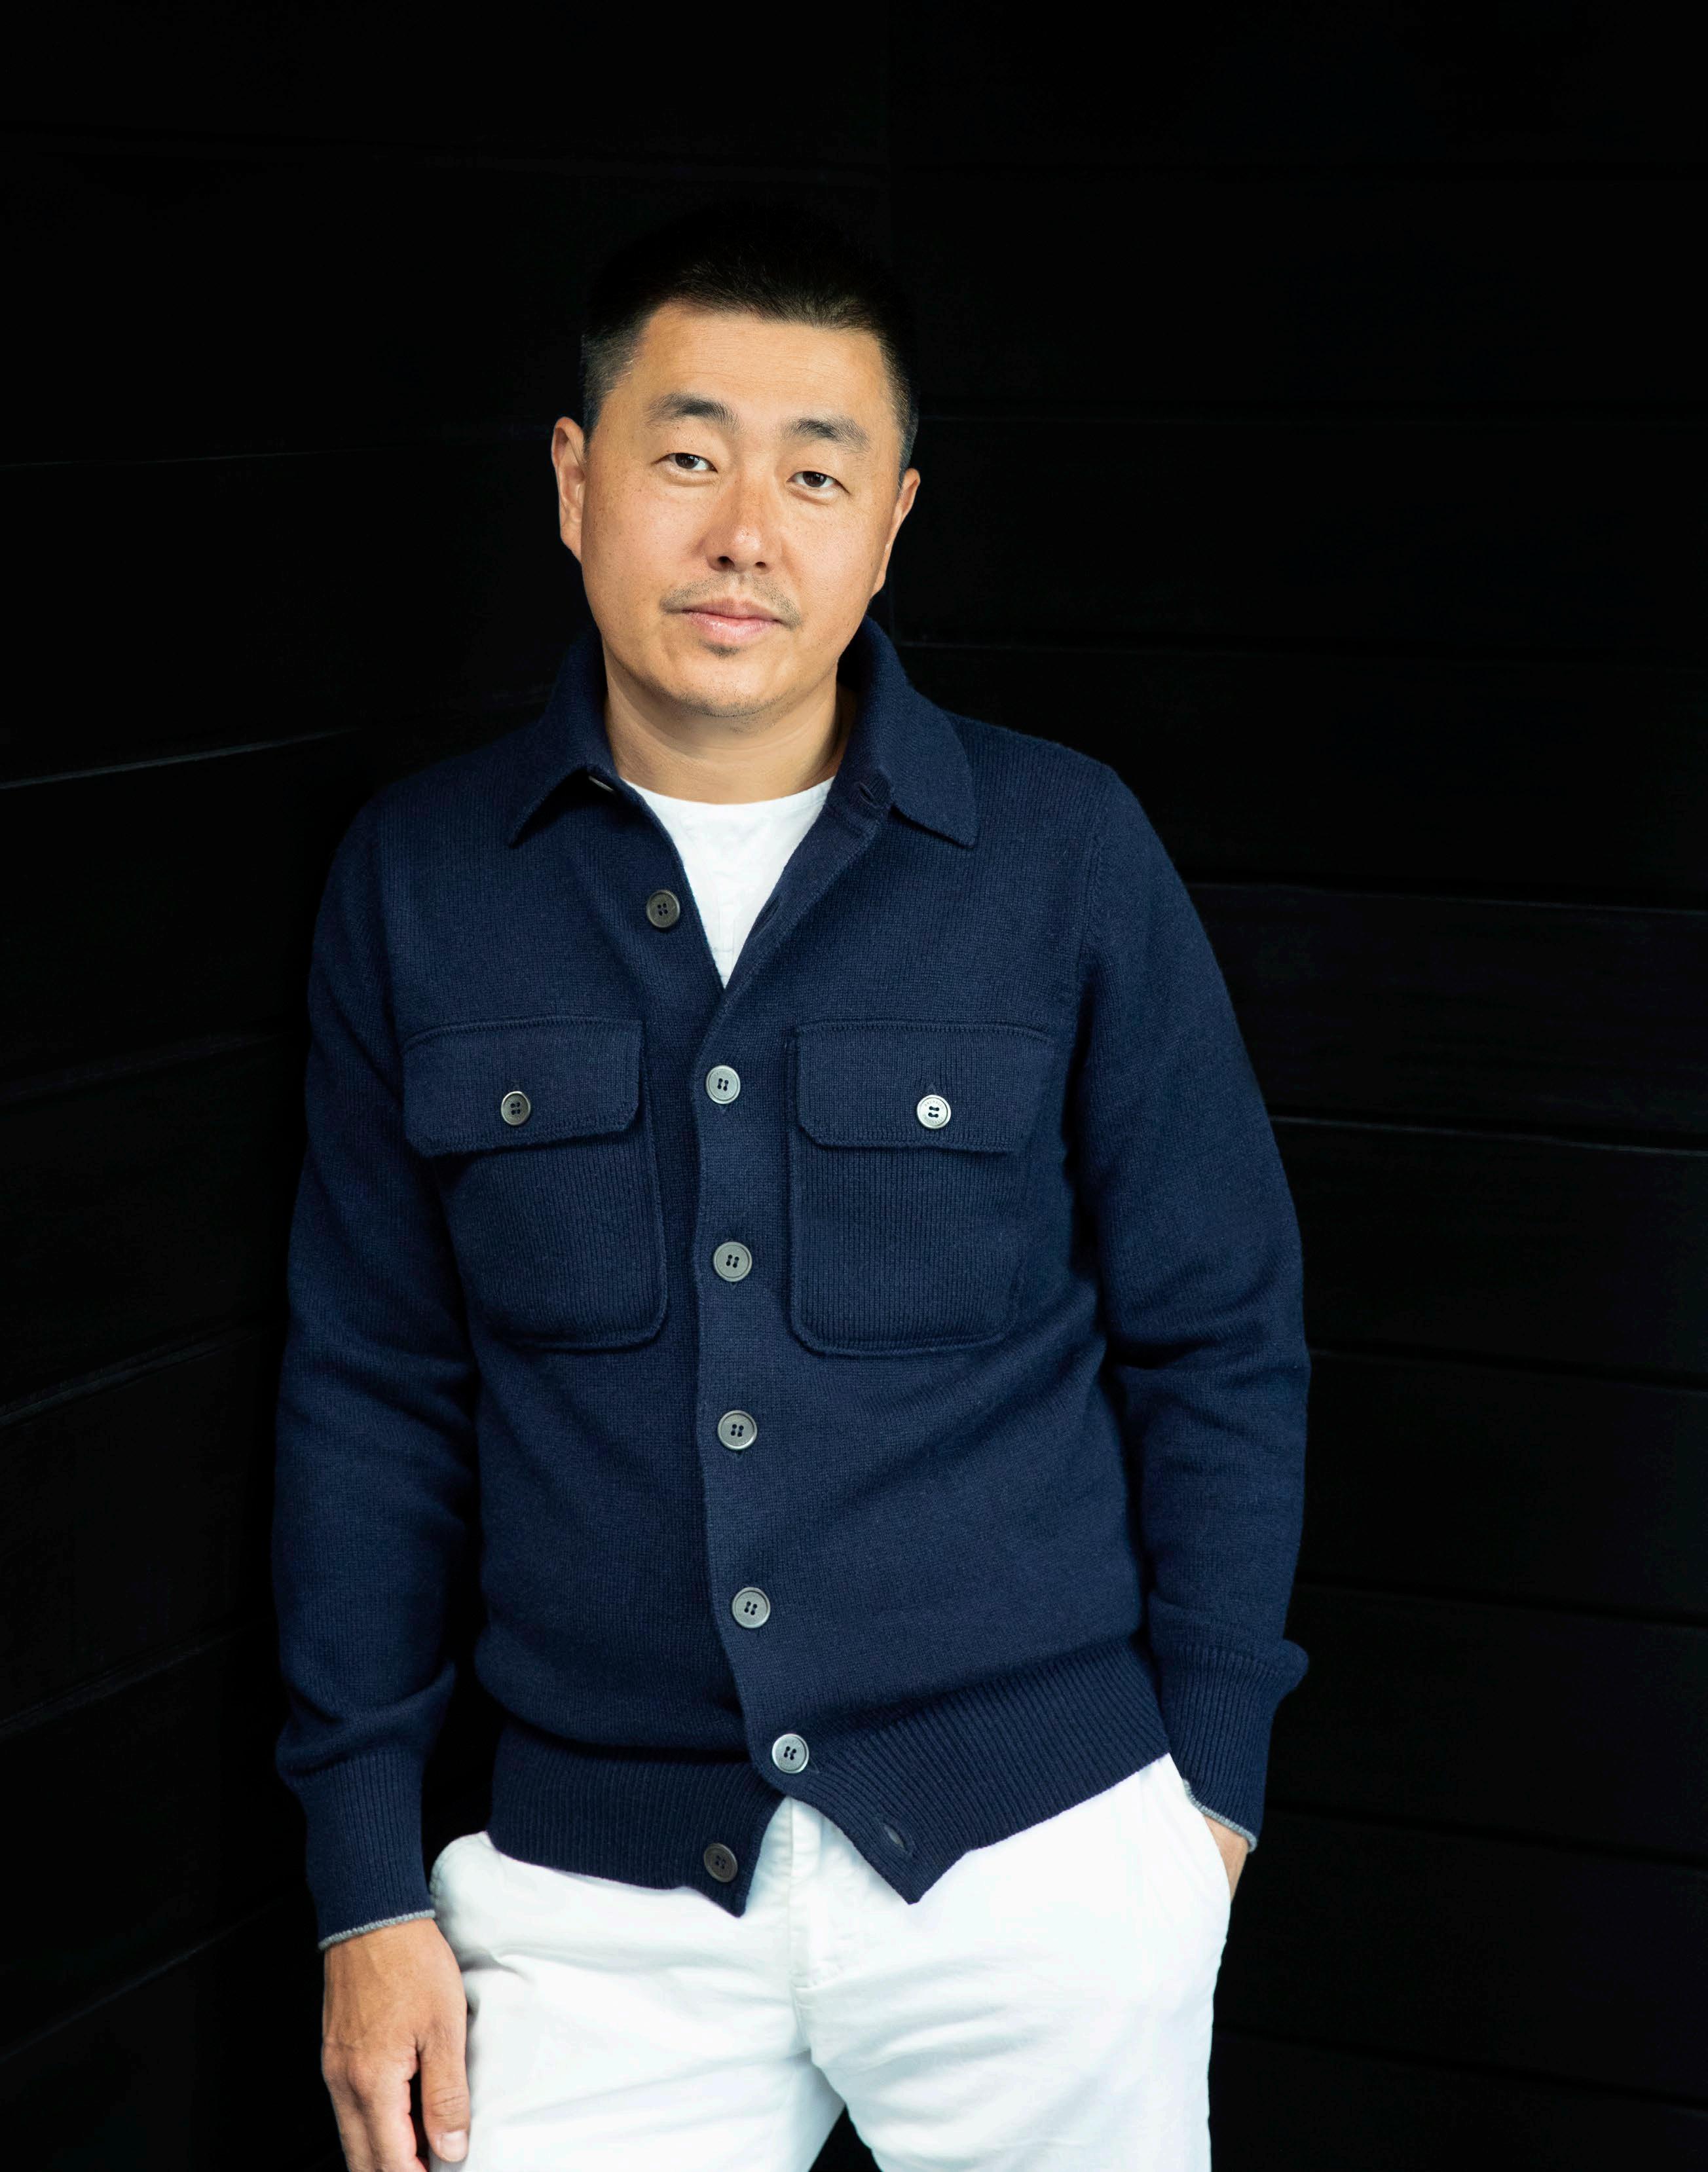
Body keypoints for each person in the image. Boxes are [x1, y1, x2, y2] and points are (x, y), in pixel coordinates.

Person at [272, 202, 1310, 2172]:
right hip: (594, 1893)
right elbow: (370, 1395)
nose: (747, 532)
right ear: (575, 483)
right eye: (688, 456)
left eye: (815, 474)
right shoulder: (421, 883)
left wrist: (1203, 1816)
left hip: (1044, 1863)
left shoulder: (1063, 852)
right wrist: (362, 1887)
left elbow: (1222, 1336)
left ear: (891, 523)